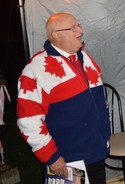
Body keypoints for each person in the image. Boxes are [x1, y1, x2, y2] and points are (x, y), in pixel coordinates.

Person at [16, 12, 110, 184]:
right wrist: (51, 157)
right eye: (73, 27)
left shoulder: (84, 57)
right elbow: (28, 121)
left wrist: (104, 137)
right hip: (67, 161)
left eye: (79, 25)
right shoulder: (36, 69)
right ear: (56, 35)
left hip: (96, 152)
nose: (80, 30)